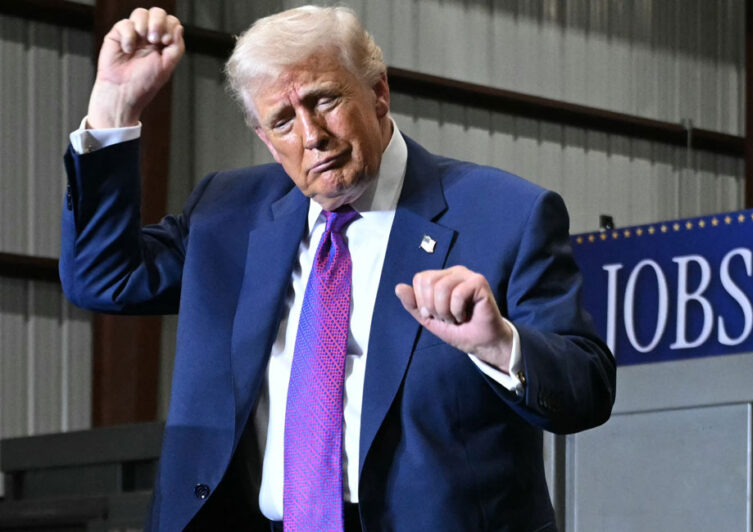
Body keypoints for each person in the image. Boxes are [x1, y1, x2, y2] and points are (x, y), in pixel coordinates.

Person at [61, 5, 615, 531]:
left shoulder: (506, 214)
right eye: (282, 121)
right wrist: (114, 107)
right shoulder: (227, 212)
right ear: (264, 138)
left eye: (324, 100)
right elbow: (103, 277)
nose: (311, 137)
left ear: (378, 92)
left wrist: (499, 345)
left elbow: (586, 389)